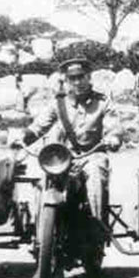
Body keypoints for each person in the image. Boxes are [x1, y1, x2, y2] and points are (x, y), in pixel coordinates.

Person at [17, 57, 122, 239]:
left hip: (91, 154)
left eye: (81, 77)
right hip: (61, 157)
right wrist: (22, 137)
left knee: (96, 174)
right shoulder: (58, 103)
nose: (77, 82)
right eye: (72, 78)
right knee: (41, 180)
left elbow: (113, 127)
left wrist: (113, 138)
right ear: (66, 81)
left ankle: (96, 229)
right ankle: (39, 235)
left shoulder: (103, 103)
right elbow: (39, 126)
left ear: (89, 77)